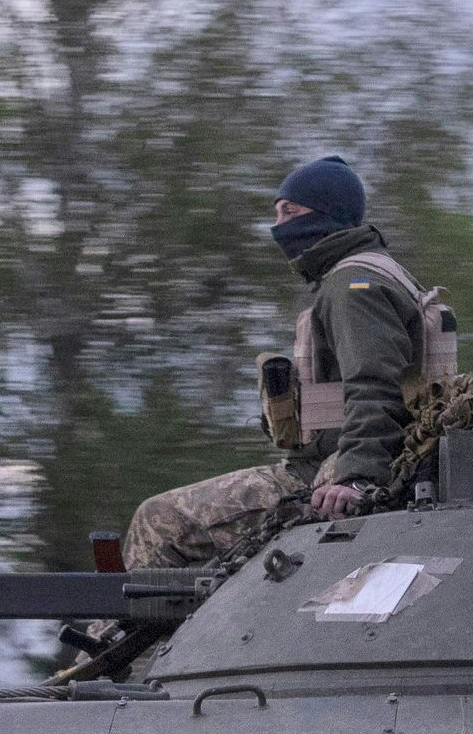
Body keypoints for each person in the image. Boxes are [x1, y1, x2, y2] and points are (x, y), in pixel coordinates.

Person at [121, 155, 430, 568]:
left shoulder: (354, 288)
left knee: (159, 519)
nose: (280, 226)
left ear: (326, 214)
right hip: (343, 459)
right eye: (277, 214)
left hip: (333, 468)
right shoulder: (373, 274)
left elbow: (375, 386)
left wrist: (357, 477)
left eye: (291, 211)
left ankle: (124, 631)